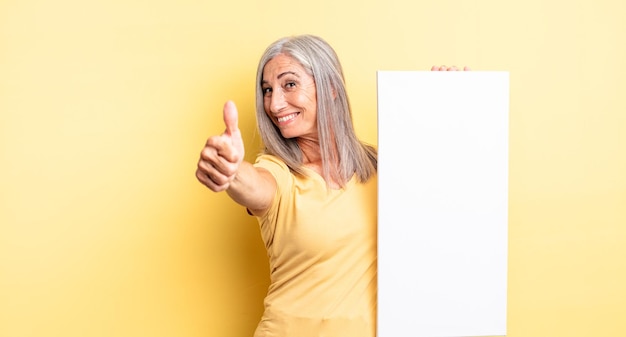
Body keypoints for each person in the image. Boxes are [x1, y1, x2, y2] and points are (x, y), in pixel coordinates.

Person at [196, 34, 466, 337]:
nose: (274, 103)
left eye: (289, 84)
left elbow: (449, 203)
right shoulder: (278, 172)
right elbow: (255, 186)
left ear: (332, 88)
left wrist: (450, 106)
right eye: (267, 90)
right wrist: (230, 171)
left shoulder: (384, 168)